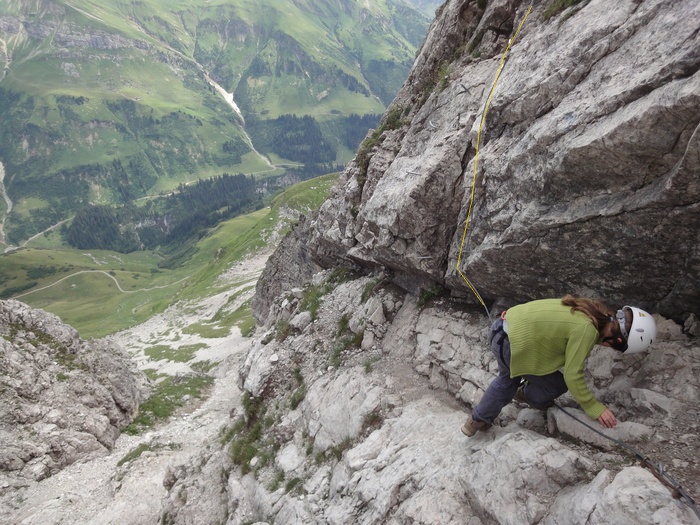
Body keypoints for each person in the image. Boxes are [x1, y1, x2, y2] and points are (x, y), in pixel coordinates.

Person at [461, 295, 657, 437]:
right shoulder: (587, 330)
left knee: (520, 379)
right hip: (511, 342)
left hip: (503, 327)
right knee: (513, 381)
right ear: (619, 341)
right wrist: (593, 407)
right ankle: (478, 420)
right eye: (618, 347)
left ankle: (521, 395)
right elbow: (573, 375)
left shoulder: (592, 311)